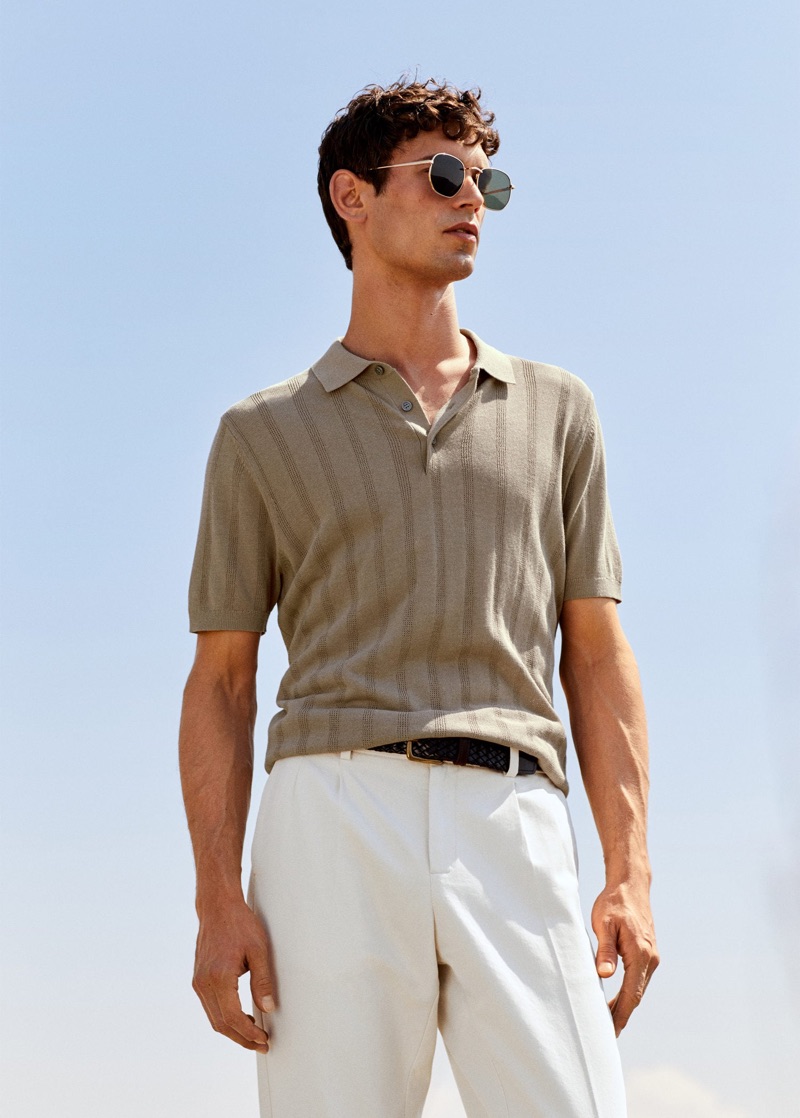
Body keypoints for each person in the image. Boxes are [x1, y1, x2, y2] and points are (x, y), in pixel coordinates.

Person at [179, 77, 659, 1118]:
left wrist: (630, 868)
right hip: (329, 818)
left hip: (515, 810)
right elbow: (221, 680)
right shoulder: (259, 435)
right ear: (350, 197)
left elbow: (596, 652)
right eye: (443, 173)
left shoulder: (559, 410)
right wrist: (216, 897)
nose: (472, 196)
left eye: (486, 179)